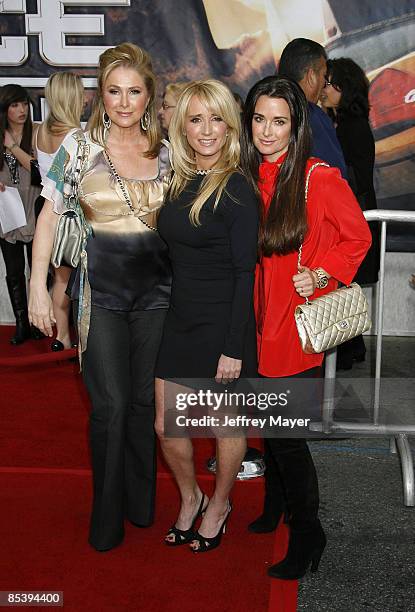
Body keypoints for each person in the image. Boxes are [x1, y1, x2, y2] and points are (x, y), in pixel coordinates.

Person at [28, 43, 171, 552]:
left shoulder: (167, 148)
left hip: (159, 297)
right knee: (108, 406)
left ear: (149, 94)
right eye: (115, 91)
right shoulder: (80, 149)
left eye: (135, 91)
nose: (125, 102)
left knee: (139, 403)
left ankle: (140, 504)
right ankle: (106, 519)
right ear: (100, 95)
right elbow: (47, 216)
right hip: (101, 298)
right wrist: (40, 289)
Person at [240, 76, 371, 579]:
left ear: (297, 128)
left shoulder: (318, 178)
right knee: (269, 422)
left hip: (290, 324)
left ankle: (309, 531)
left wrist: (319, 274)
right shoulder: (248, 173)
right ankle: (275, 505)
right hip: (252, 315)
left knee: (285, 434)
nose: (268, 132)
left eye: (280, 122)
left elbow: (357, 237)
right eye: (259, 119)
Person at [154, 79, 259, 553]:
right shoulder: (178, 181)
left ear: (230, 125)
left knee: (224, 427)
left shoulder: (236, 187)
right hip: (180, 322)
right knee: (166, 428)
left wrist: (232, 347)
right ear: (182, 125)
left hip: (222, 326)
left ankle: (219, 503)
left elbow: (244, 273)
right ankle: (190, 495)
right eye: (196, 118)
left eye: (216, 118)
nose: (207, 129)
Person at [321, 57, 380, 369]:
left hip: (352, 215)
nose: (324, 88)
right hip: (353, 212)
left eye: (330, 82)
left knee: (343, 282)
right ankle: (352, 347)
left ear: (345, 87)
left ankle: (347, 350)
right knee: (345, 284)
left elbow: (354, 175)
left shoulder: (350, 127)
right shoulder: (345, 123)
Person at [34, 71, 85, 351]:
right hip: (67, 217)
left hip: (45, 208)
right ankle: (67, 337)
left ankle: (62, 336)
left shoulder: (40, 129)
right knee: (68, 280)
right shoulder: (75, 136)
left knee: (59, 277)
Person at [0, 84, 42, 345]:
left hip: (34, 206)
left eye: (24, 104)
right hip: (7, 210)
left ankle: (38, 320)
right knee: (14, 270)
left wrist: (13, 146)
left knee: (39, 270)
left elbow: (39, 172)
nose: (21, 110)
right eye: (15, 105)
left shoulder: (37, 132)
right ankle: (21, 324)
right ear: (4, 109)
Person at [278, 38, 347, 178]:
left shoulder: (269, 112)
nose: (323, 84)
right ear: (311, 76)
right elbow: (335, 174)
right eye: (323, 76)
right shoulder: (311, 115)